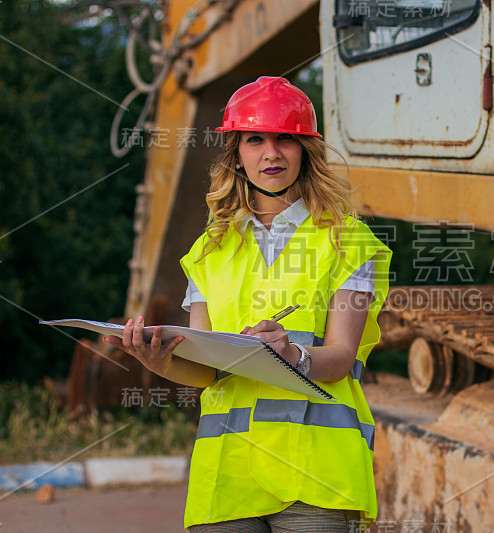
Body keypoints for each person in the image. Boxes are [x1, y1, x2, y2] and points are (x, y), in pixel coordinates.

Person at [105, 76, 391, 532]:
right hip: (228, 471)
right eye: (255, 139)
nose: (271, 153)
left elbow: (340, 357)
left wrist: (292, 354)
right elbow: (203, 370)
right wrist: (156, 360)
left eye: (286, 139)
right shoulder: (210, 249)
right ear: (236, 153)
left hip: (315, 472)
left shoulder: (347, 240)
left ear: (306, 151)